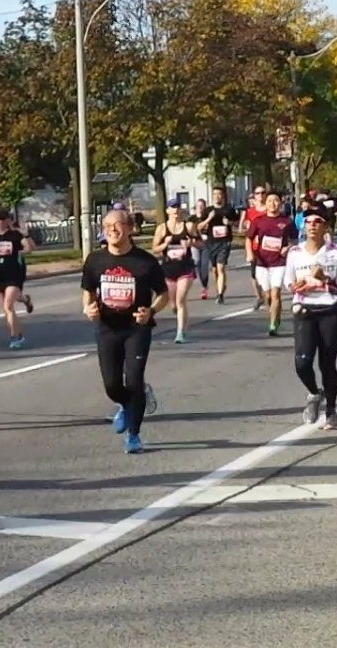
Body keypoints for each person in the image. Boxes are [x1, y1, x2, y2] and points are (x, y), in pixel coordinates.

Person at [81, 209, 168, 454]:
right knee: (111, 385)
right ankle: (125, 402)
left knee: (134, 380)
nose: (111, 229)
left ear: (130, 228)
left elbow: (164, 294)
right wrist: (88, 309)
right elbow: (88, 290)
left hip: (136, 329)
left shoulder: (145, 261)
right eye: (107, 225)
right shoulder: (95, 260)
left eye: (117, 225)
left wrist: (150, 311)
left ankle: (134, 435)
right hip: (107, 328)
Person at [286, 212, 337, 430]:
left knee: (327, 363)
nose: (313, 225)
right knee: (302, 362)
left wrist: (327, 280)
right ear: (303, 227)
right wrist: (298, 285)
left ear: (325, 227)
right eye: (308, 222)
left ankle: (332, 410)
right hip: (305, 311)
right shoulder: (295, 253)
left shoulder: (336, 252)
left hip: (331, 310)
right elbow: (288, 283)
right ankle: (315, 394)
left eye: (317, 222)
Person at [0, 209, 35, 349]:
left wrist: (25, 236)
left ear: (8, 220)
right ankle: (25, 300)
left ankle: (15, 338)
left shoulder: (14, 235)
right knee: (6, 309)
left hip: (14, 274)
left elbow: (29, 248)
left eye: (3, 219)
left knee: (8, 306)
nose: (1, 222)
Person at [246, 191, 296, 337]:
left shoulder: (287, 221)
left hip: (279, 263)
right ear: (265, 203)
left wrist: (288, 248)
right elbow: (249, 238)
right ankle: (275, 314)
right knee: (267, 295)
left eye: (275, 201)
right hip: (262, 262)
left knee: (276, 294)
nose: (272, 204)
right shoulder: (258, 221)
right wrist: (249, 253)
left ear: (280, 203)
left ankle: (273, 324)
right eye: (269, 201)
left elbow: (294, 239)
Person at [151, 201, 198, 344]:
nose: (176, 210)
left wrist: (191, 243)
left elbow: (201, 243)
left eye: (177, 207)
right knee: (173, 305)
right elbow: (154, 249)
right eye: (172, 207)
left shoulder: (188, 226)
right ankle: (182, 321)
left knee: (181, 300)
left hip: (185, 268)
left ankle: (180, 333)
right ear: (167, 211)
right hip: (168, 269)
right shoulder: (162, 229)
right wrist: (165, 243)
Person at [198, 187, 239, 304]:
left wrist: (230, 223)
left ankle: (220, 295)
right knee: (215, 270)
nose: (217, 196)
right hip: (211, 242)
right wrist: (209, 219)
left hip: (224, 242)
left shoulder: (229, 209)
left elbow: (237, 222)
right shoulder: (208, 210)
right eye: (215, 194)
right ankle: (220, 286)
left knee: (221, 268)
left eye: (219, 194)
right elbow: (199, 226)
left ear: (223, 196)